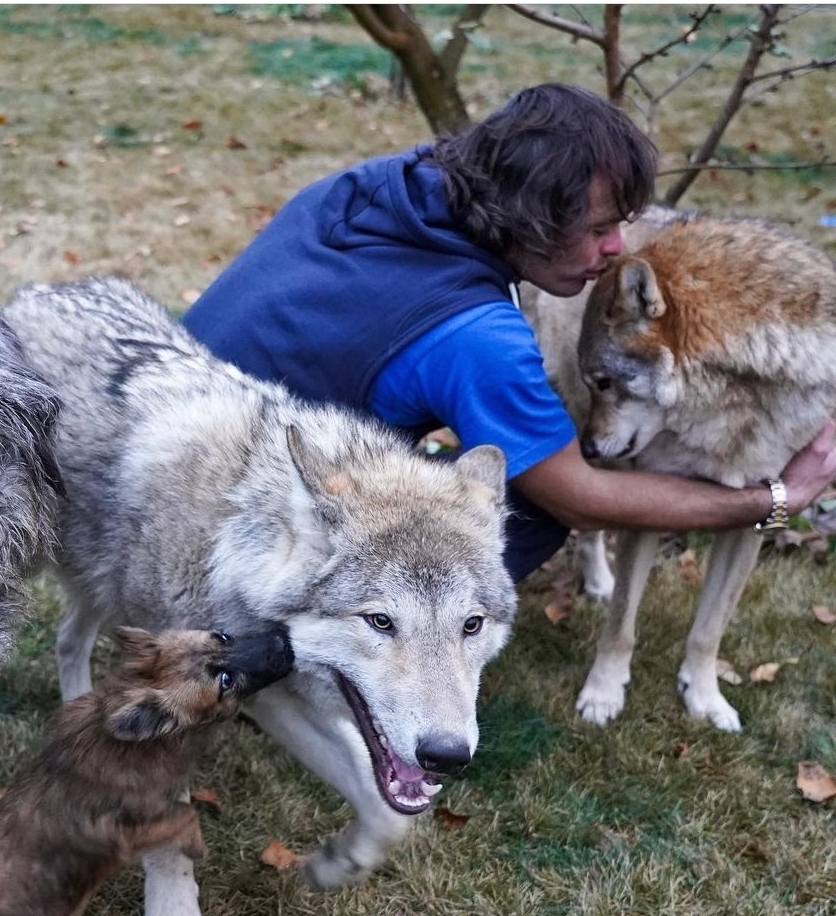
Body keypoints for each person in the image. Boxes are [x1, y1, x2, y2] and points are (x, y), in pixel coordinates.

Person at [184, 82, 836, 582]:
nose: (618, 248)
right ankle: (298, 647)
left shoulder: (383, 183)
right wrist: (777, 496)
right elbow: (584, 498)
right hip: (224, 539)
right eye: (599, 227)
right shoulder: (477, 339)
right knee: (536, 508)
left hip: (168, 449)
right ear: (531, 217)